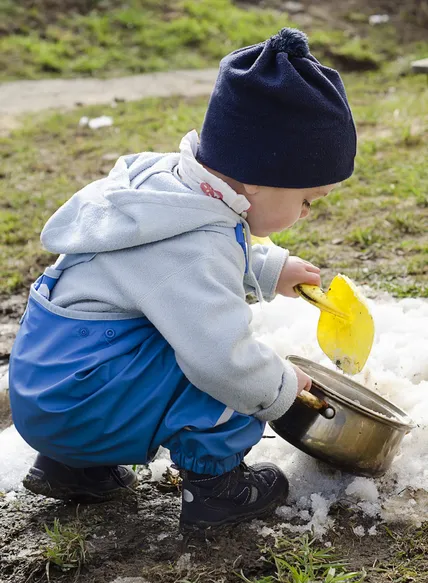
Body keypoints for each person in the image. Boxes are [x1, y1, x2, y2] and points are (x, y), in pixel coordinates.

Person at [9, 27, 356, 530]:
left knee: (161, 336)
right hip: (81, 404)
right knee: (223, 371)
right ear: (258, 177)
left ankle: (72, 468)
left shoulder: (168, 192)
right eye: (306, 199)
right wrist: (280, 386)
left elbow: (161, 271)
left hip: (51, 390)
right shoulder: (193, 244)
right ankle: (218, 489)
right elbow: (220, 357)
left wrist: (267, 268)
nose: (305, 213)